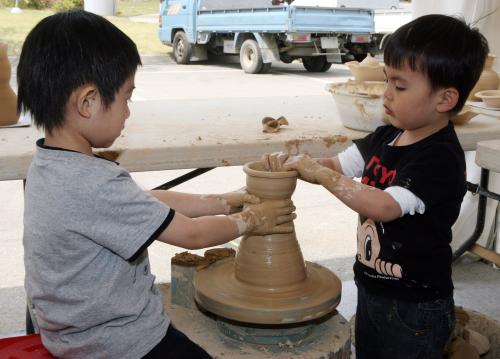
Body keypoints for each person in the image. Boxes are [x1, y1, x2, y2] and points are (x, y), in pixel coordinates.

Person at [18, 10, 295, 359]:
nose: (129, 112)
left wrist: (223, 201)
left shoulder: (48, 166)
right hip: (119, 343)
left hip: (68, 335)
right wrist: (254, 220)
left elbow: (142, 202)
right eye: (125, 98)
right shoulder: (95, 183)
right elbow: (192, 236)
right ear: (88, 102)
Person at [263, 14, 489, 359]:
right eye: (386, 80)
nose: (385, 94)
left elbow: (383, 206)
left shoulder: (440, 158)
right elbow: (339, 167)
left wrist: (323, 176)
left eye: (399, 86)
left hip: (416, 303)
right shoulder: (388, 135)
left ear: (444, 100)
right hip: (372, 287)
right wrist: (297, 165)